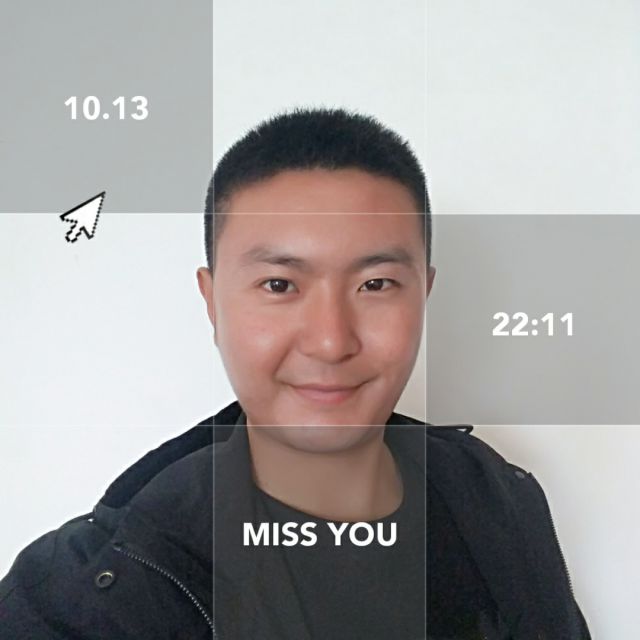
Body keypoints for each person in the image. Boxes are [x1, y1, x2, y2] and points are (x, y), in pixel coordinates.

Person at [0, 107, 590, 639]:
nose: (331, 342)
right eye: (280, 284)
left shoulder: (497, 499)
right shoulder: (84, 595)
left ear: (424, 294)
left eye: (376, 284)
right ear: (212, 302)